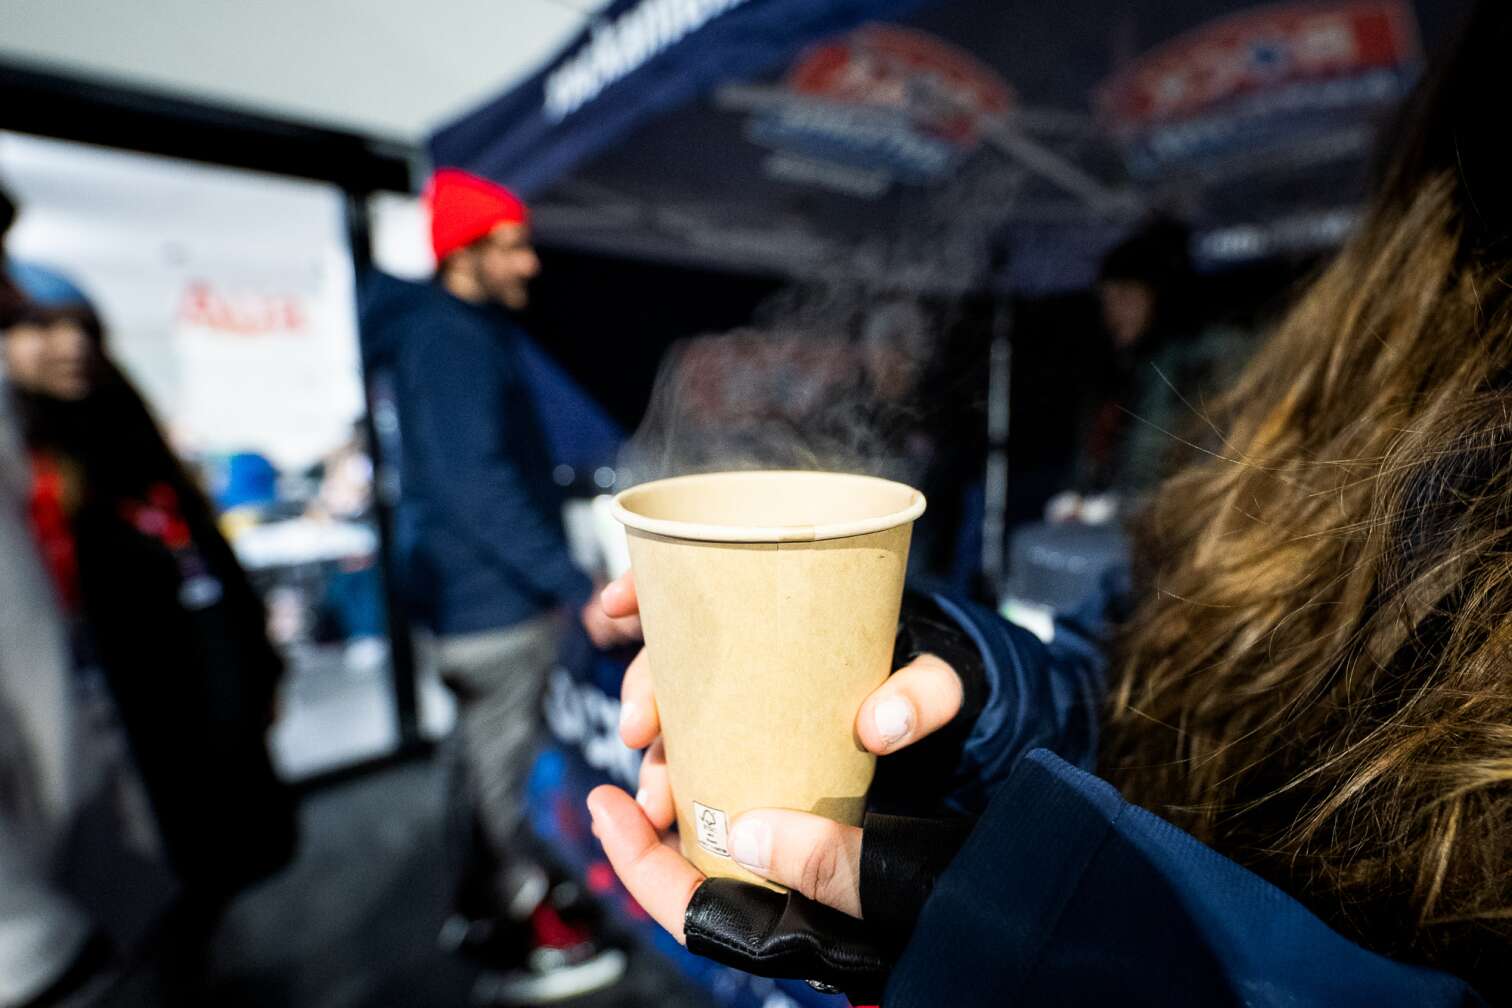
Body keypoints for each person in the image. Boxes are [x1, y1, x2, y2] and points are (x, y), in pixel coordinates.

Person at [584, 4, 1512, 1003]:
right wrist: (977, 702)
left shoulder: (1212, 368)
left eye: (1124, 297)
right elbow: (1136, 692)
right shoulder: (1337, 400)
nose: (1111, 314)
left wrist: (1097, 957)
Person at [359, 168, 628, 1004]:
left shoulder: (439, 333)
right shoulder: (453, 338)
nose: (527, 264)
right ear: (463, 254)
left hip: (469, 604)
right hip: (493, 608)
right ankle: (516, 939)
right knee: (499, 782)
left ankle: (479, 909)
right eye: (509, 246)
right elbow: (475, 484)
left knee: (477, 768)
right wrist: (571, 581)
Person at [2, 293, 296, 1002]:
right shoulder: (22, 458)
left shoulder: (121, 434)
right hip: (84, 721)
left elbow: (198, 550)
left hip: (177, 699)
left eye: (83, 329)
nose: (69, 345)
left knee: (191, 878)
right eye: (41, 327)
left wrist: (254, 658)